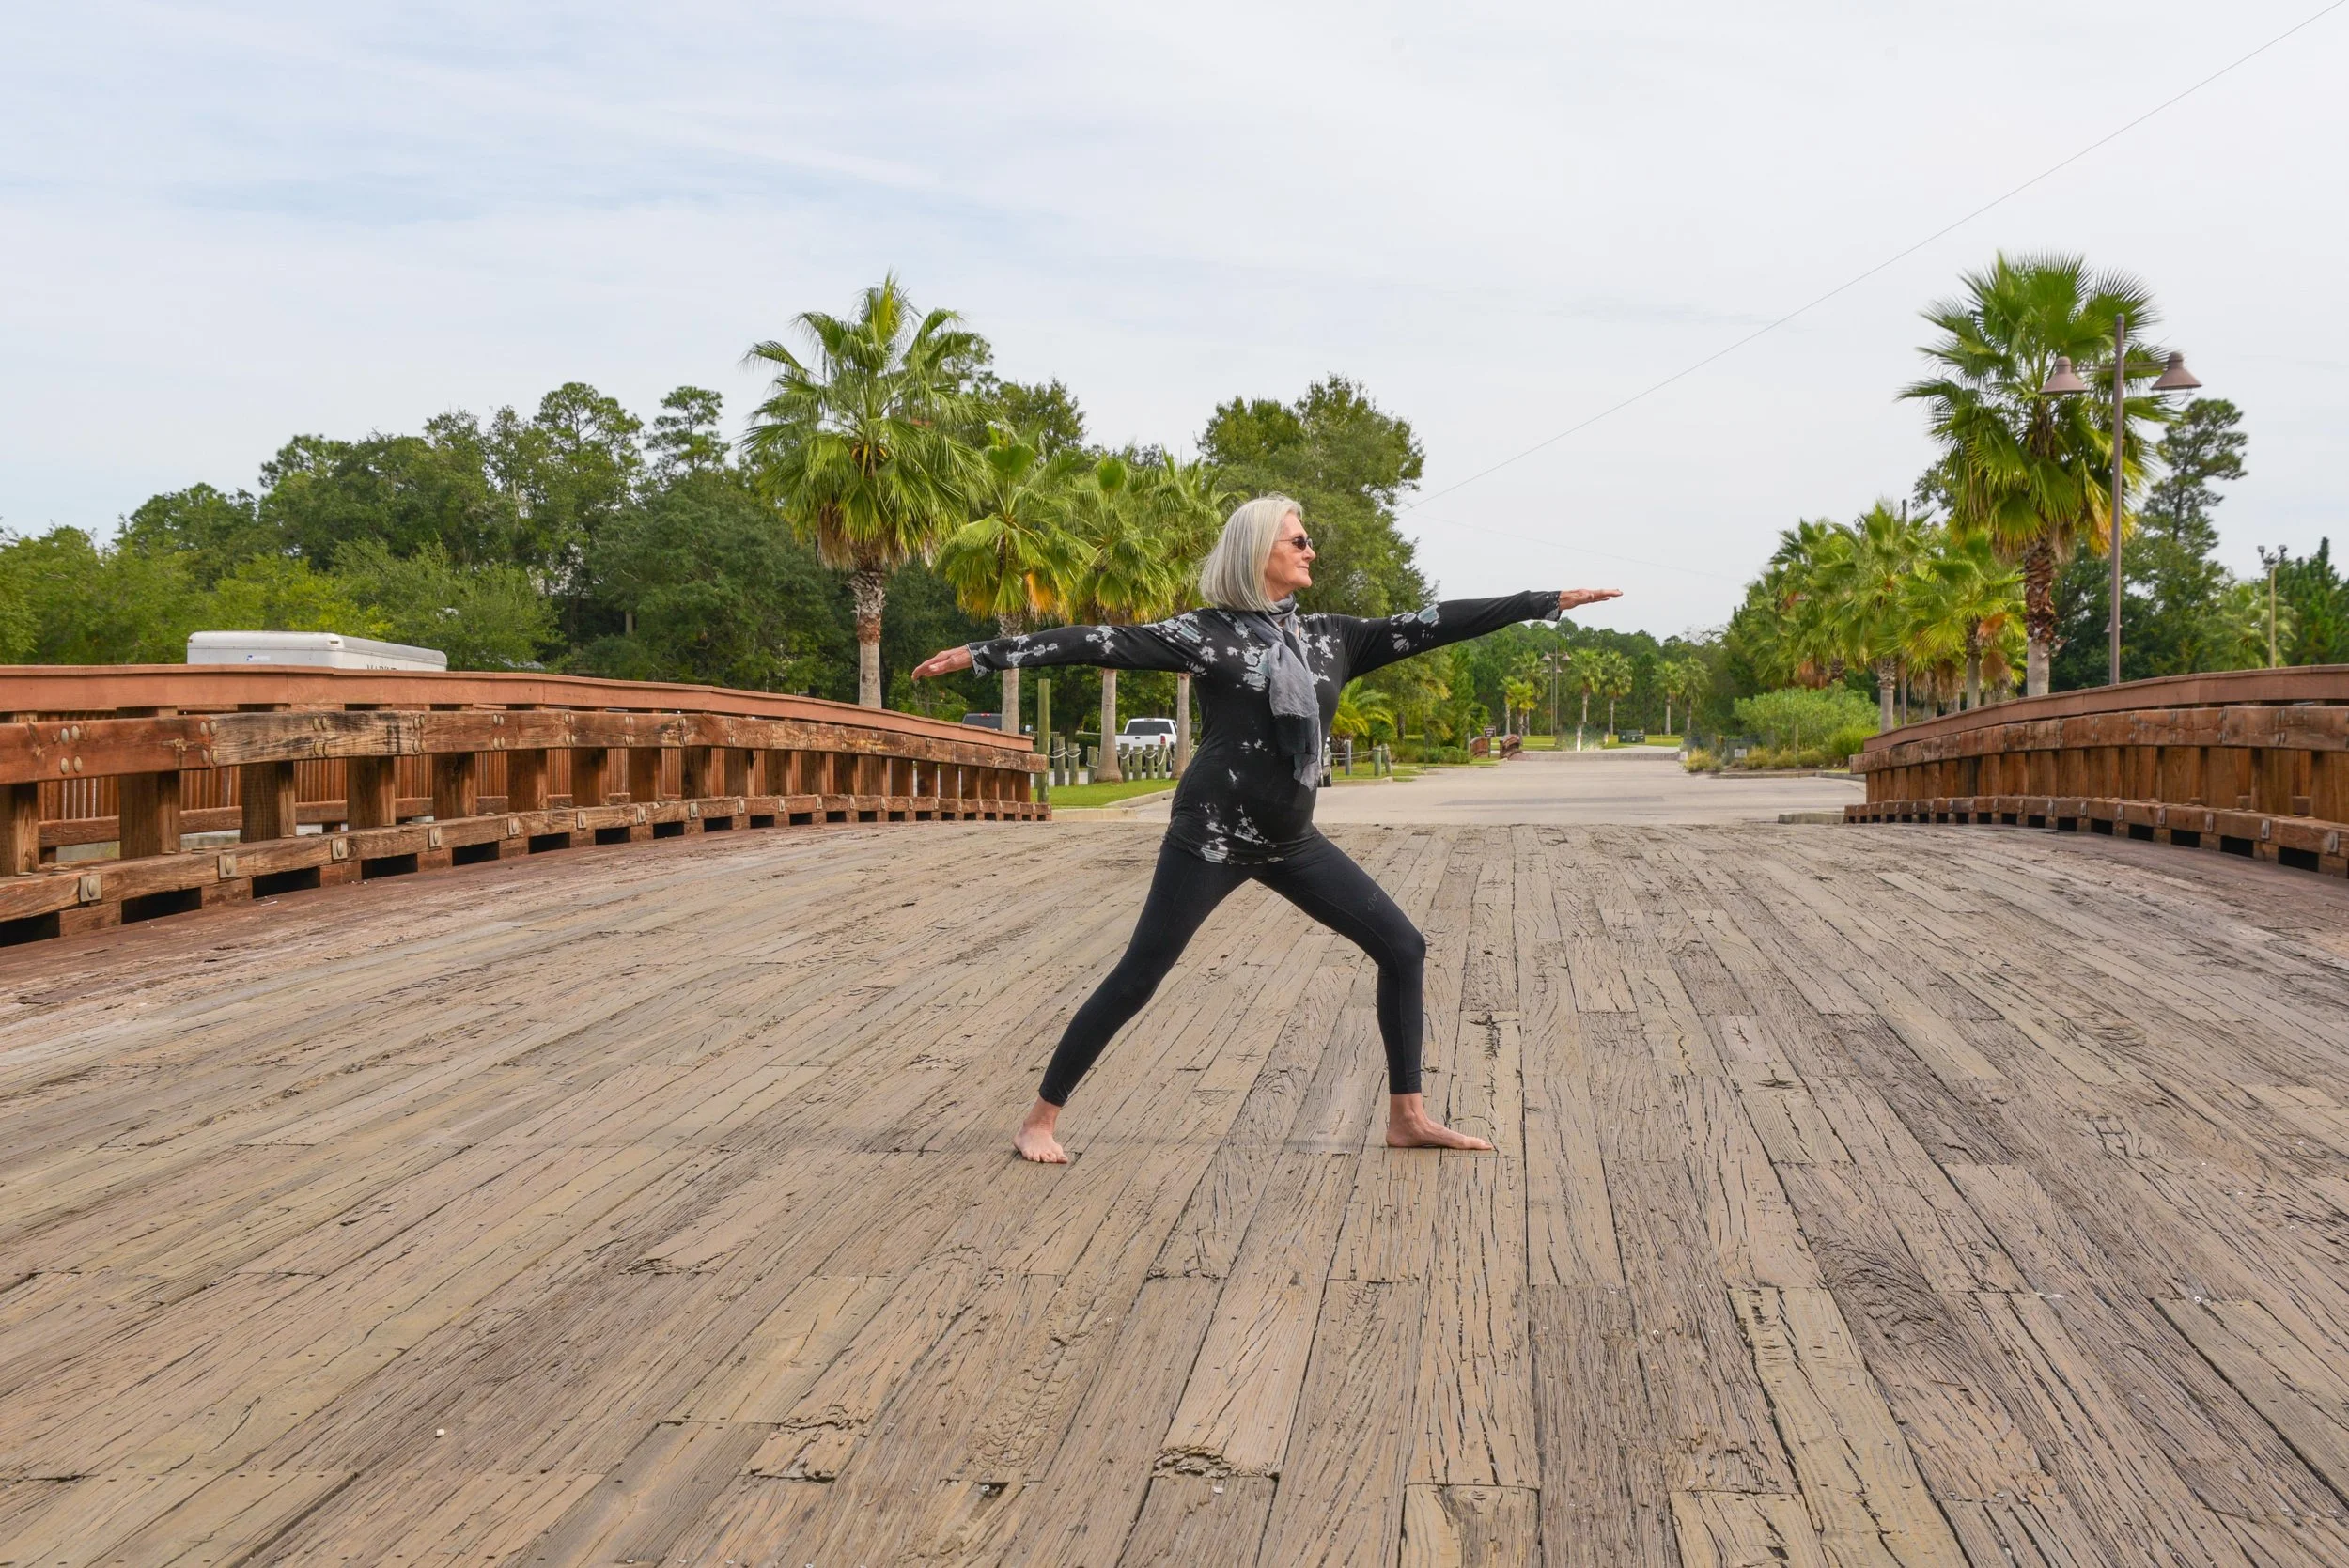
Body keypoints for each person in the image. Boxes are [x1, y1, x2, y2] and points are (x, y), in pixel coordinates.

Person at [912, 495, 1621, 1162]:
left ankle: (1407, 1115)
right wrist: (983, 654)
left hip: (1291, 839)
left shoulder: (1331, 637)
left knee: (1403, 946)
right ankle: (1039, 1117)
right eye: (1299, 539)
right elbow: (1100, 641)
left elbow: (1438, 620)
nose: (1312, 549)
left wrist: (1541, 603)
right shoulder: (1206, 634)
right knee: (1139, 974)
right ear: (1259, 551)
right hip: (1211, 834)